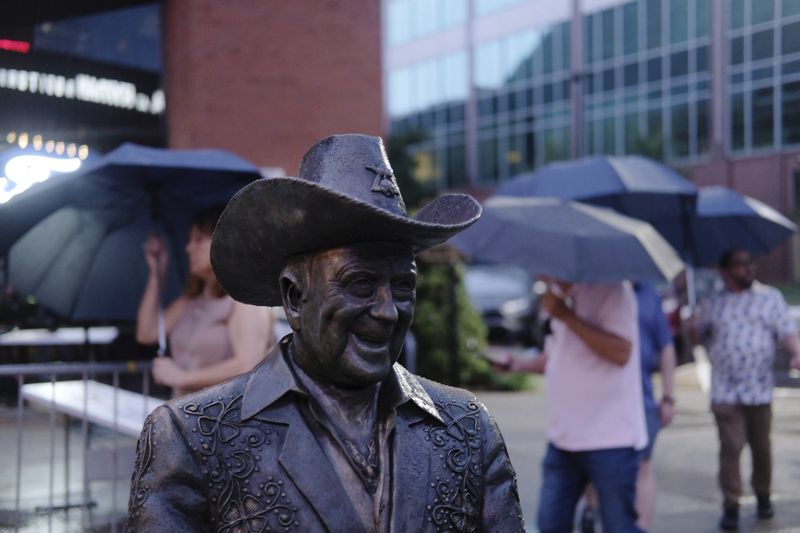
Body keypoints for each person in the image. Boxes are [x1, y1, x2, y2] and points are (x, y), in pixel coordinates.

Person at [126, 134, 524, 532]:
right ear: (295, 297)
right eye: (361, 284)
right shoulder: (189, 438)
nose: (387, 311)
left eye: (403, 286)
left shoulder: (468, 428)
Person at [505, 278, 647, 533]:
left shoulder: (614, 291)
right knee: (550, 524)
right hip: (563, 440)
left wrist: (566, 315)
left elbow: (621, 352)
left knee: (619, 527)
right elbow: (556, 357)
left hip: (611, 440)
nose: (540, 275)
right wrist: (516, 365)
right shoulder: (558, 295)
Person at [689, 248, 800, 531]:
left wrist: (797, 352)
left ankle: (762, 494)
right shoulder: (713, 302)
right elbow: (698, 338)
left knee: (761, 447)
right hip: (726, 390)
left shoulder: (769, 298)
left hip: (759, 389)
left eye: (751, 263)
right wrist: (691, 326)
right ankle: (731, 503)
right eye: (740, 265)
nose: (748, 269)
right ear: (725, 271)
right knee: (731, 446)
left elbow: (786, 331)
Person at [136, 204, 275, 397]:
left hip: (223, 419)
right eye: (189, 240)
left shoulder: (243, 302)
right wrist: (156, 274)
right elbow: (146, 333)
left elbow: (248, 362)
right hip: (187, 417)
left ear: (224, 243)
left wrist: (183, 377)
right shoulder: (190, 301)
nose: (188, 248)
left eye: (198, 239)